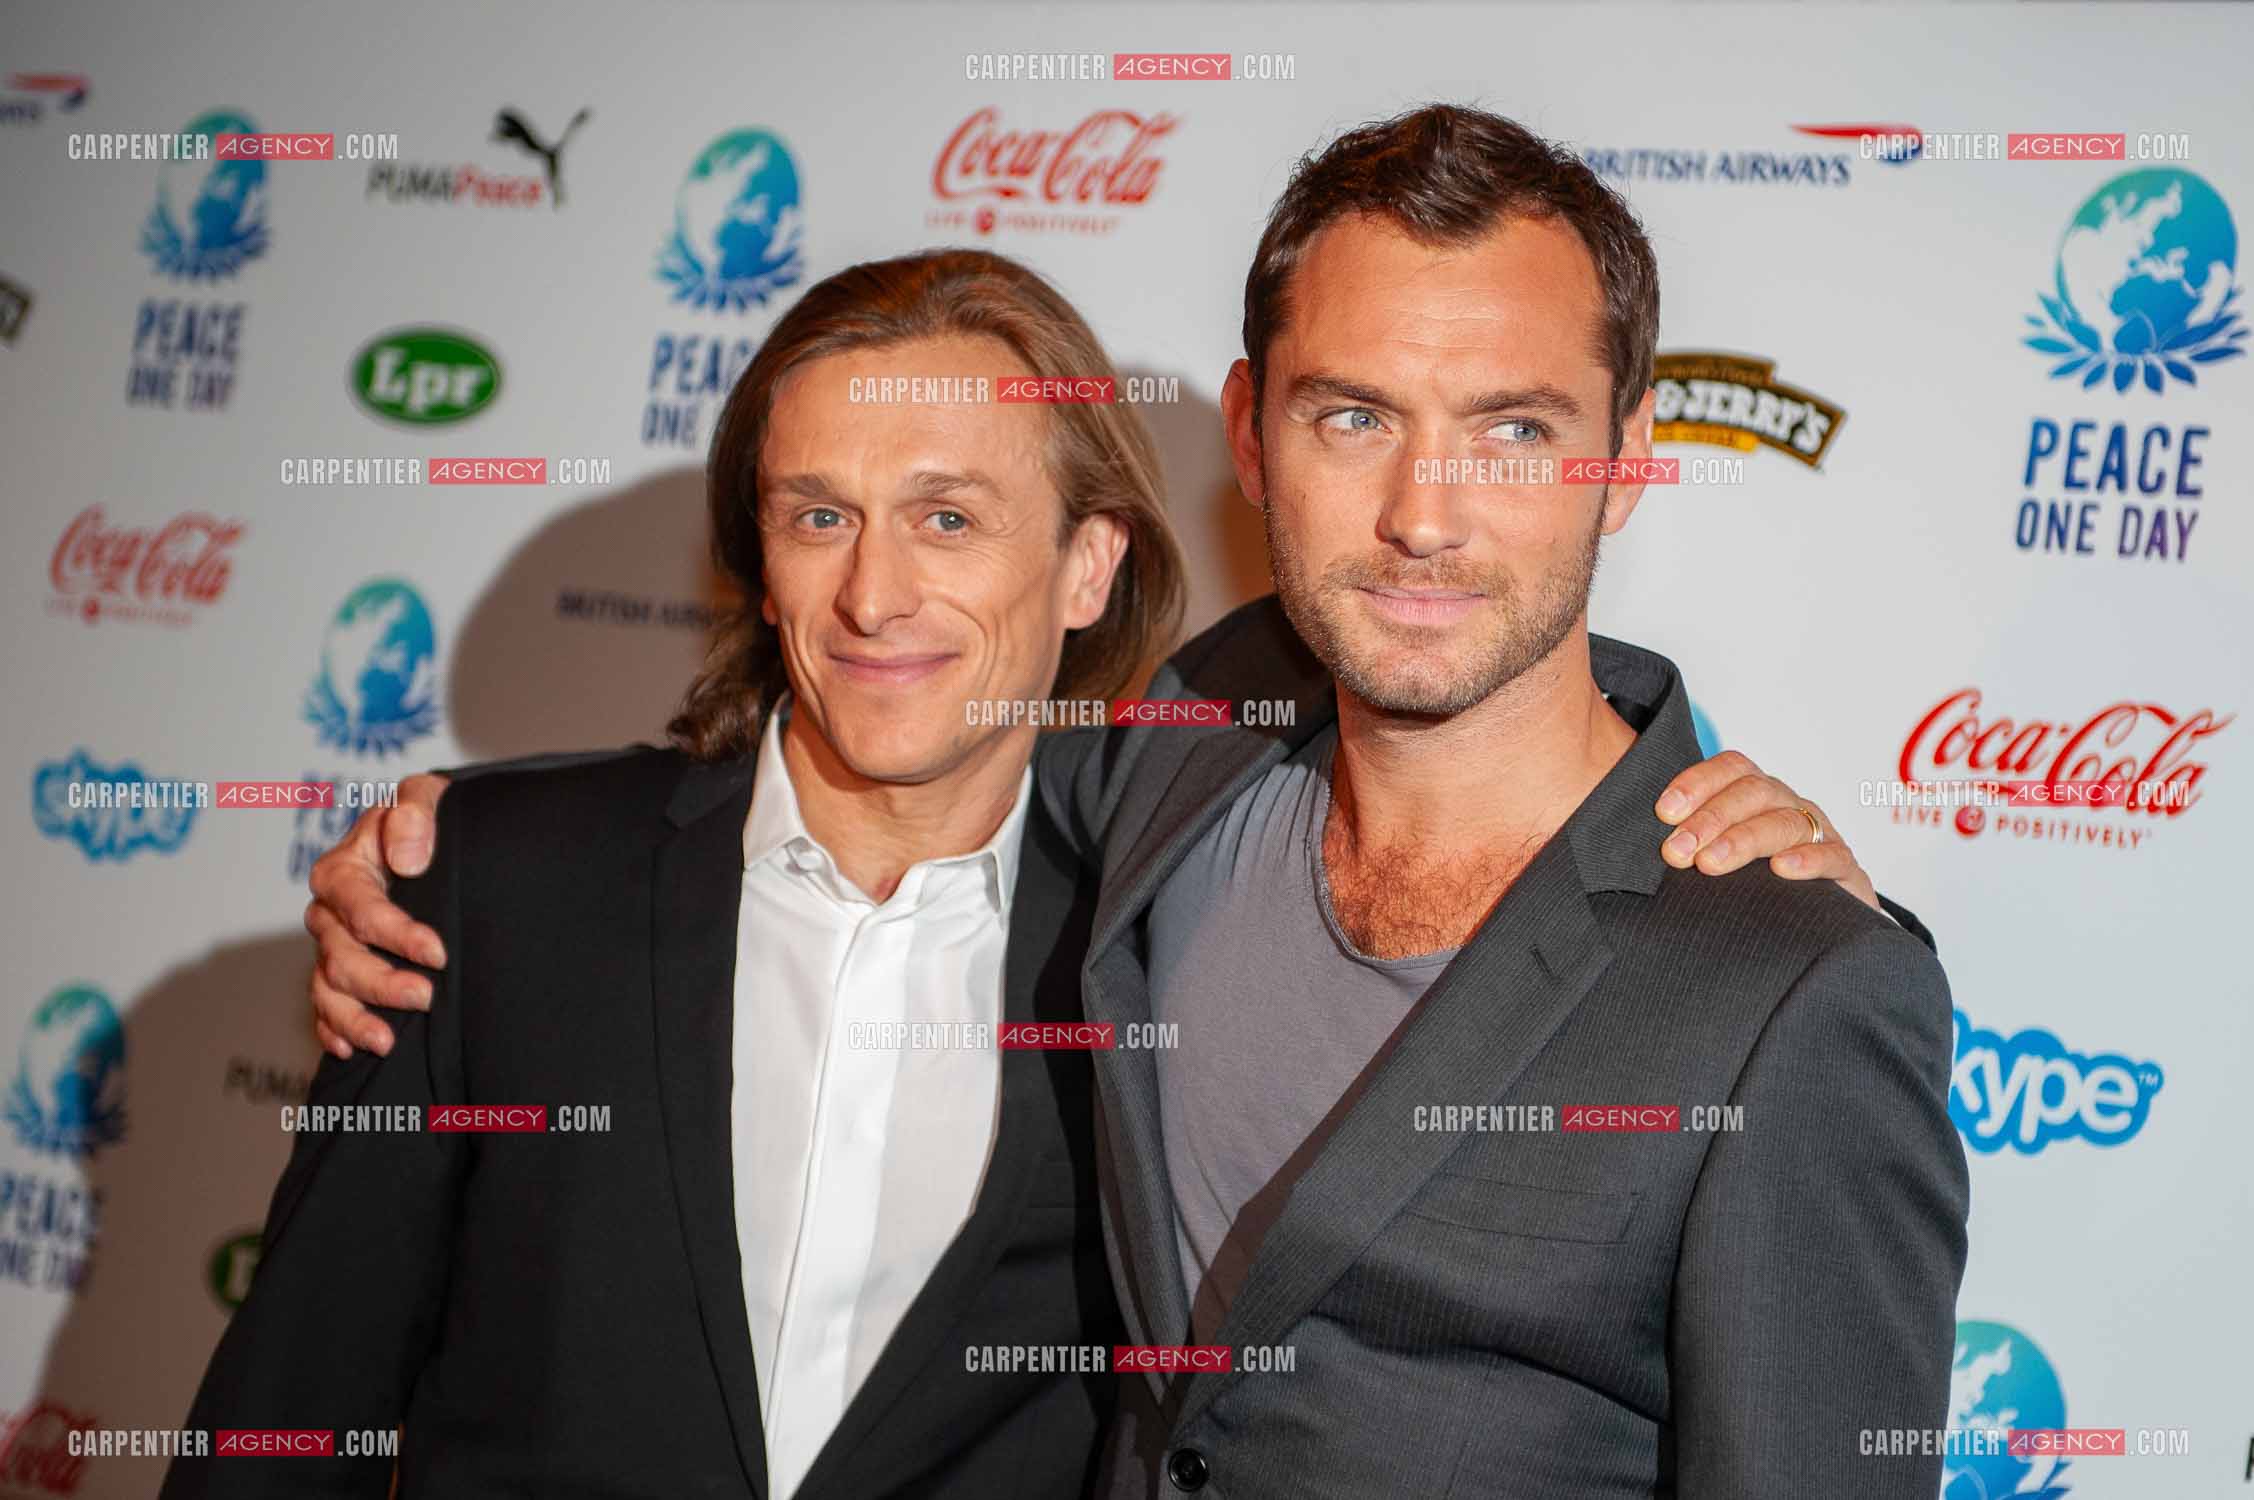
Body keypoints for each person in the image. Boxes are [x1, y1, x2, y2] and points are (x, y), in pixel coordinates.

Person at [293, 115, 1932, 1500]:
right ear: (1248, 435)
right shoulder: (1164, 768)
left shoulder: (1786, 993)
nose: (1421, 514)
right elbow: (854, 754)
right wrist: (442, 855)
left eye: (1512, 430)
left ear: (1626, 457)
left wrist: (1808, 924)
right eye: (1349, 416)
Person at [166, 248, 1176, 1499]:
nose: (870, 595)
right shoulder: (489, 888)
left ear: (1090, 564)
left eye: (947, 518)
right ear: (760, 559)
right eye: (820, 517)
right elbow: (288, 1413)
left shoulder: (1157, 946)